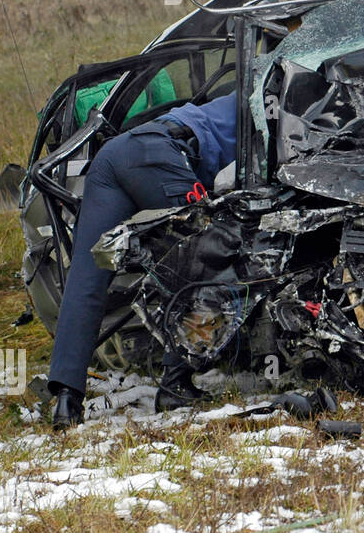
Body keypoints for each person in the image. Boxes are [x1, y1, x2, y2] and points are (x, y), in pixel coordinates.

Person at [48, 91, 239, 429]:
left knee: (88, 276)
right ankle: (175, 383)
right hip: (162, 151)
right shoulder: (269, 96)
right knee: (207, 252)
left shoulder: (240, 93)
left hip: (114, 155)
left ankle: (66, 400)